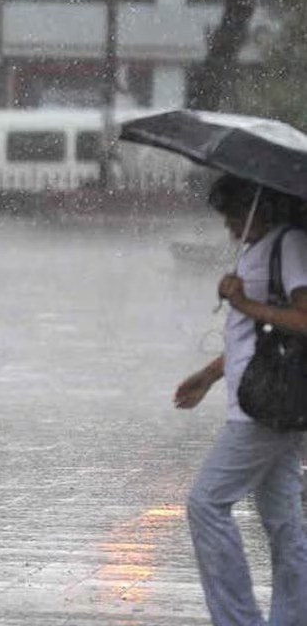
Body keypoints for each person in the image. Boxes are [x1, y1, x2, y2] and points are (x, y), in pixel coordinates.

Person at [174, 174, 307, 625]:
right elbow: (256, 339)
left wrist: (246, 303)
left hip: (265, 407)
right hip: (269, 401)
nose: (230, 225)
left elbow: (302, 319)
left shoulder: (288, 244)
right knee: (284, 522)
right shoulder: (261, 248)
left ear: (261, 207)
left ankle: (237, 619)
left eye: (234, 214)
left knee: (206, 504)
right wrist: (209, 376)